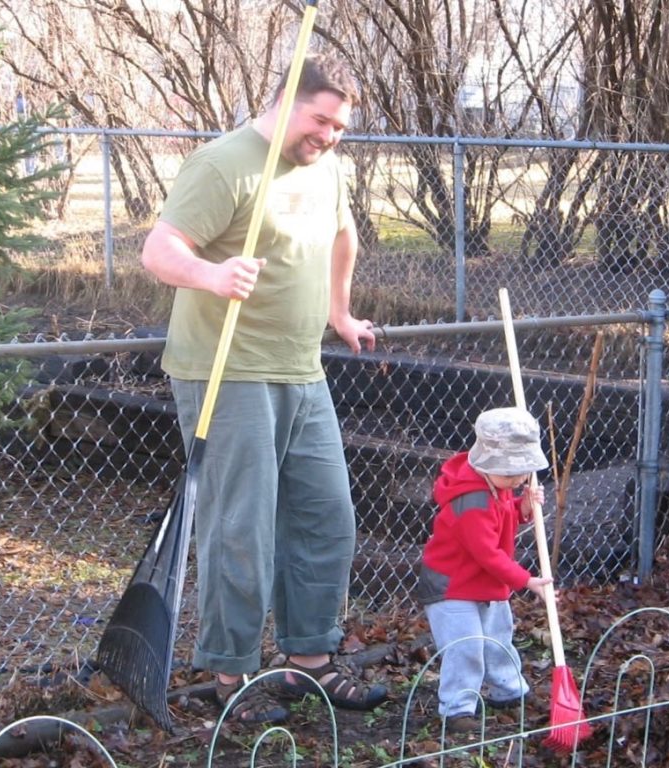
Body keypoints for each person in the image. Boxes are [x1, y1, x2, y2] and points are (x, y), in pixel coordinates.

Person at [140, 53, 387, 725]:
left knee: (326, 515)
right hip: (228, 370)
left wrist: (338, 312)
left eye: (340, 126)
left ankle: (308, 660)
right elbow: (159, 250)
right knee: (241, 527)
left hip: (301, 368)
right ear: (284, 100)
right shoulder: (225, 164)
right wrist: (211, 276)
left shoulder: (327, 167)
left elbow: (343, 237)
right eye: (320, 120)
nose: (330, 136)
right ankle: (232, 673)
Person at [417, 407, 554, 733]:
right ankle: (457, 708)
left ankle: (509, 691)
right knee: (466, 646)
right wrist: (526, 580)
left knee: (497, 639)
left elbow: (504, 518)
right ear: (486, 464)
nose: (519, 480)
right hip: (452, 587)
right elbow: (486, 553)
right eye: (511, 474)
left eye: (523, 472)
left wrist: (523, 506)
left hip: (484, 584)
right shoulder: (472, 500)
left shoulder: (496, 483)